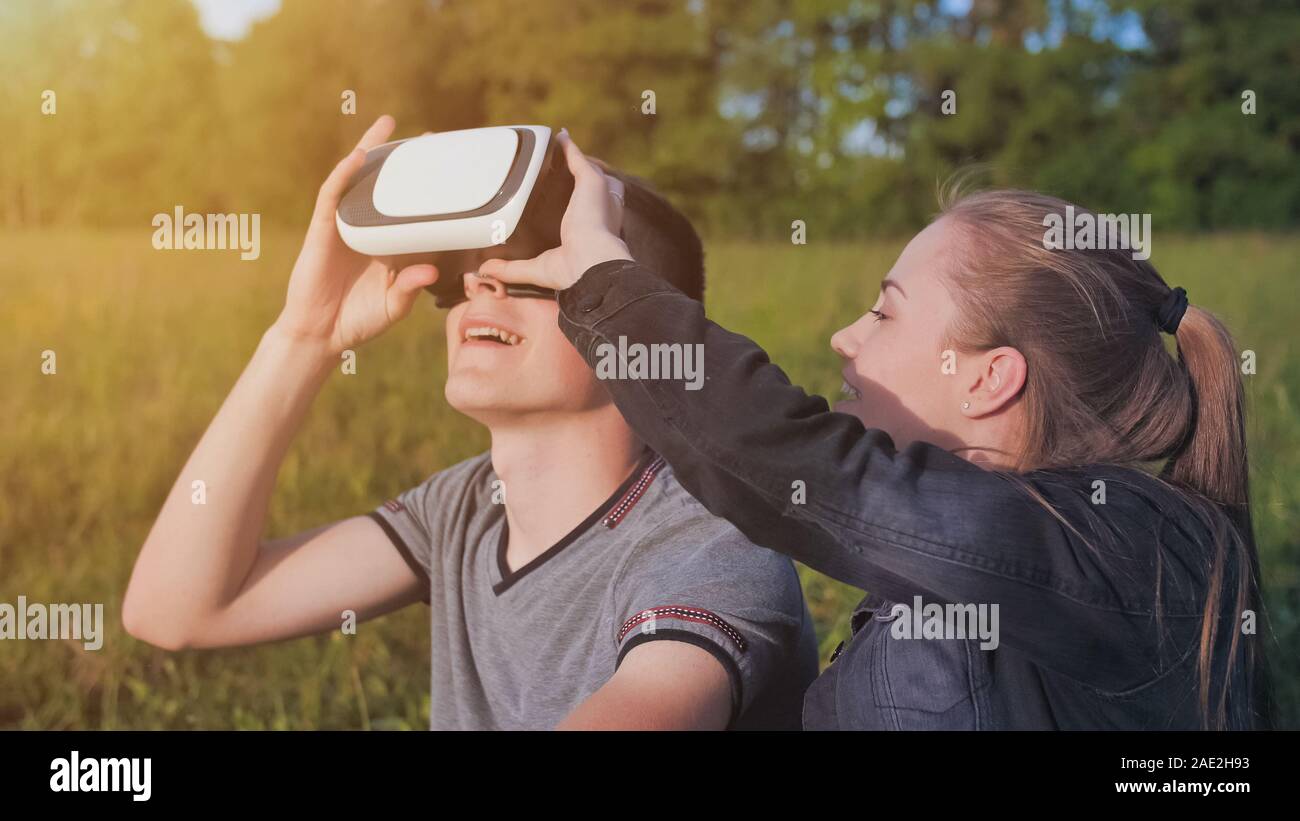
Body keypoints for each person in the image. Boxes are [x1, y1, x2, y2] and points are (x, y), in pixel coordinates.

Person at [481, 131, 1271, 730]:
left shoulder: (1116, 549)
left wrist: (604, 278)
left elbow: (795, 460)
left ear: (990, 377)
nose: (845, 338)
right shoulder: (1048, 547)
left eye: (884, 311)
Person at [123, 116, 818, 730]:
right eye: (471, 266)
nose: (482, 280)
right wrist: (303, 337)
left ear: (644, 329)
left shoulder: (713, 547)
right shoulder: (461, 512)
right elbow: (175, 611)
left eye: (540, 266)